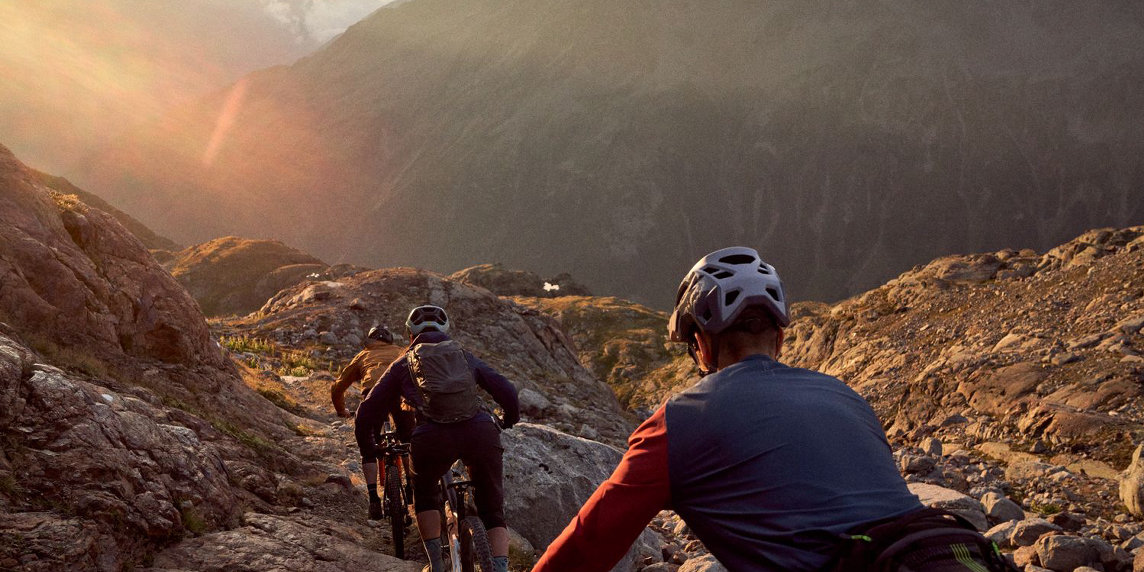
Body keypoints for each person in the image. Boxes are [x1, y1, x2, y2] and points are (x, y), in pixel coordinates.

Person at [533, 247, 999, 571]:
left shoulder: (679, 421)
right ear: (778, 337)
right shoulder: (846, 397)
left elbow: (589, 543)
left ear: (701, 344)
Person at [356, 305, 520, 572]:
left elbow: (366, 412)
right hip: (479, 432)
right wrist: (508, 419)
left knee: (425, 495)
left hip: (432, 437)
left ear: (410, 335)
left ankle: (436, 565)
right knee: (492, 511)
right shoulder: (464, 355)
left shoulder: (403, 363)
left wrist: (369, 448)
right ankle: (500, 568)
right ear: (446, 331)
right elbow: (508, 392)